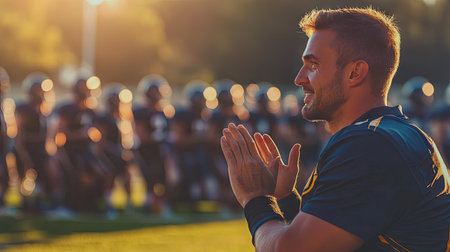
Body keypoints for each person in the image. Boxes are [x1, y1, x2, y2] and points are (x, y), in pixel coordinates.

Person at [220, 7, 450, 251]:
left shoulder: (368, 145)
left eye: (314, 65)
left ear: (354, 73)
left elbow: (290, 249)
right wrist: (284, 199)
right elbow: (340, 234)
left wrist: (255, 199)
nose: (299, 79)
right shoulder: (397, 133)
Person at [133, 75, 171, 214]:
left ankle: (161, 204)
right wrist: (159, 138)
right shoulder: (141, 111)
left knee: (165, 179)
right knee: (149, 179)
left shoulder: (165, 112)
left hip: (162, 151)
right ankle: (148, 204)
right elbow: (141, 135)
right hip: (145, 151)